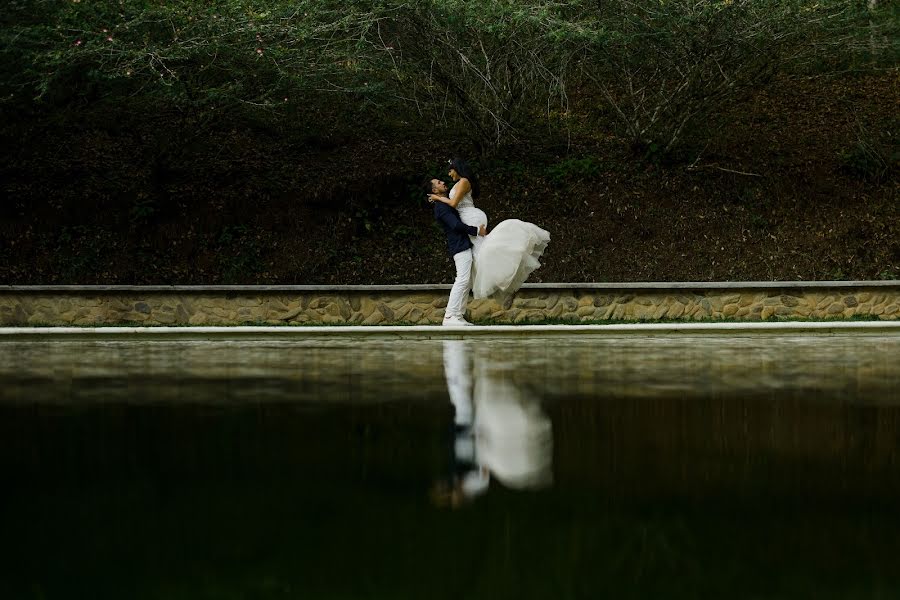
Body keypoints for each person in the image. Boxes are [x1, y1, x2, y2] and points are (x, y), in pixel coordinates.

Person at [428, 158, 550, 301]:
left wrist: (438, 198)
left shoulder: (464, 182)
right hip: (467, 217)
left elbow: (454, 204)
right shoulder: (458, 183)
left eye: (450, 171)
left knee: (483, 253)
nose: (449, 175)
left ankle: (505, 277)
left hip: (471, 217)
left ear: (457, 168)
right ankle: (502, 280)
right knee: (480, 253)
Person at [423, 177, 487, 326]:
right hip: (459, 246)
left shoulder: (444, 204)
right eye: (439, 183)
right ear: (434, 190)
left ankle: (458, 315)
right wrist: (477, 231)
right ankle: (450, 316)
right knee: (462, 280)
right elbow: (456, 225)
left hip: (463, 244)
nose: (443, 182)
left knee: (467, 281)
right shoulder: (440, 208)